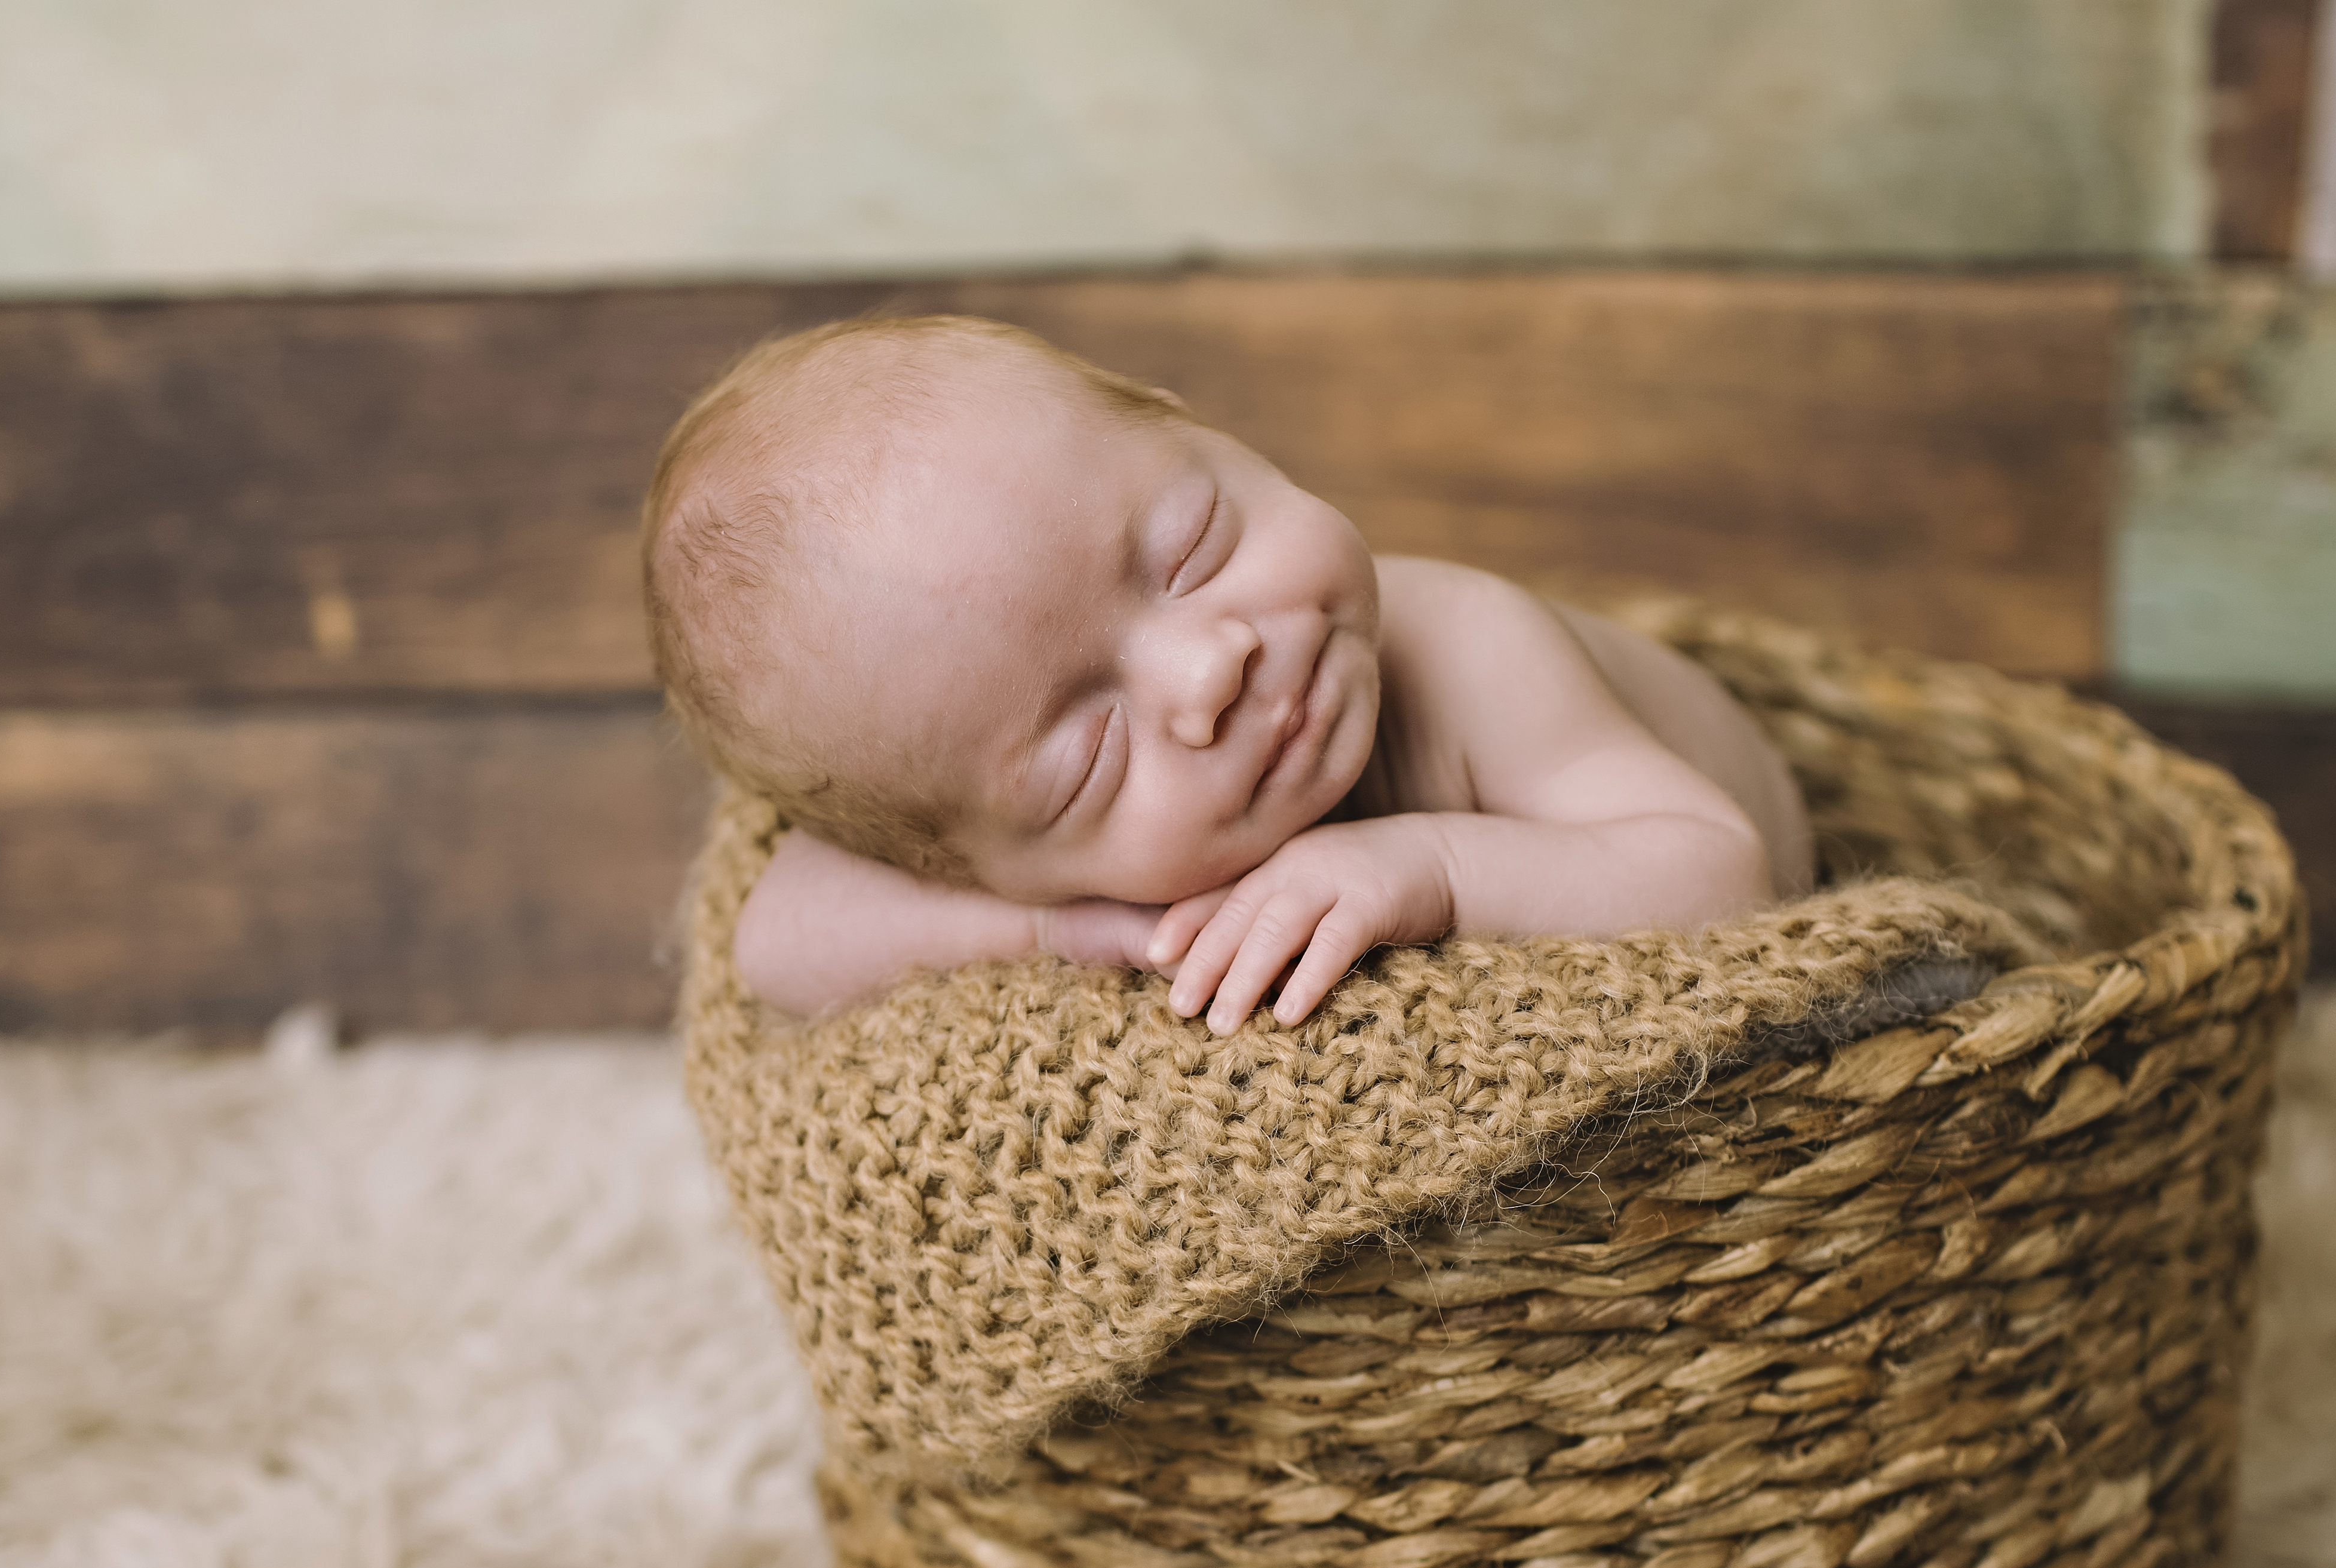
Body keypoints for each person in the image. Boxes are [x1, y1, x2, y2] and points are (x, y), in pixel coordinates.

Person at [643, 315, 1815, 1033]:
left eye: (1193, 543)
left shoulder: (1472, 647)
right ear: (980, 863)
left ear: (1195, 424)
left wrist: (1431, 865)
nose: (1210, 666)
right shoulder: (1040, 850)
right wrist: (1069, 935)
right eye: (1089, 754)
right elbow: (774, 939)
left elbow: (1720, 871)